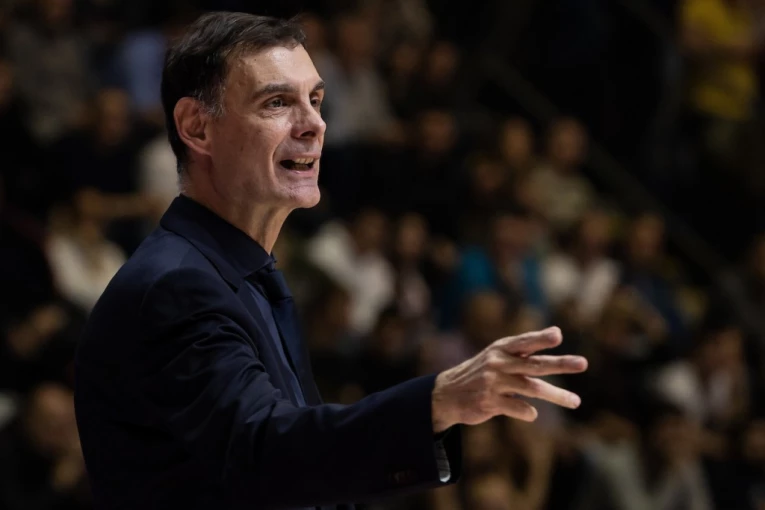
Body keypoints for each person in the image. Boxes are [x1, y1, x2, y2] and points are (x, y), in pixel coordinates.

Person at [73, 12, 588, 510]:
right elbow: (264, 453)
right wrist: (435, 401)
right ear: (197, 127)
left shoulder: (236, 275)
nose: (315, 124)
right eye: (278, 102)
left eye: (316, 100)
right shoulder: (177, 286)